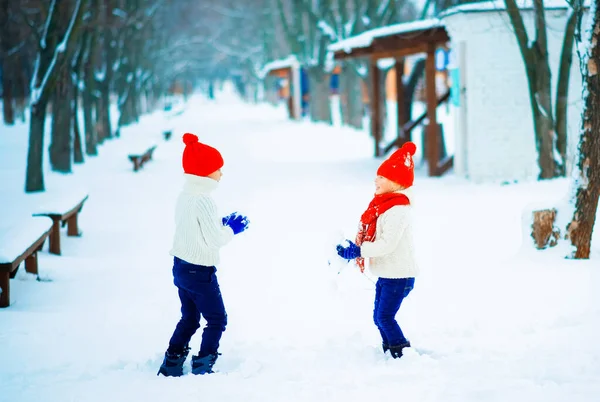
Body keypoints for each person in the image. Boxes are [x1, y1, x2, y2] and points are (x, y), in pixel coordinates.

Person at [158, 133, 249, 376]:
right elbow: (214, 240)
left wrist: (220, 222)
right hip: (200, 272)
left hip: (181, 267)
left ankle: (172, 362)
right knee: (217, 319)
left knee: (189, 318)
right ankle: (203, 365)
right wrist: (232, 229)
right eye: (218, 168)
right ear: (205, 171)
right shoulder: (204, 200)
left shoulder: (186, 195)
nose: (221, 174)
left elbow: (195, 228)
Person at [336, 141, 419, 359]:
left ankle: (401, 353)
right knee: (379, 316)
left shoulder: (398, 210)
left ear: (396, 182)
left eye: (381, 177)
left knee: (385, 317)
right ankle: (390, 351)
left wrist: (359, 251)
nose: (376, 180)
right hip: (388, 273)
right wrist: (355, 248)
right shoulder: (384, 206)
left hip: (399, 275)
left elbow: (386, 244)